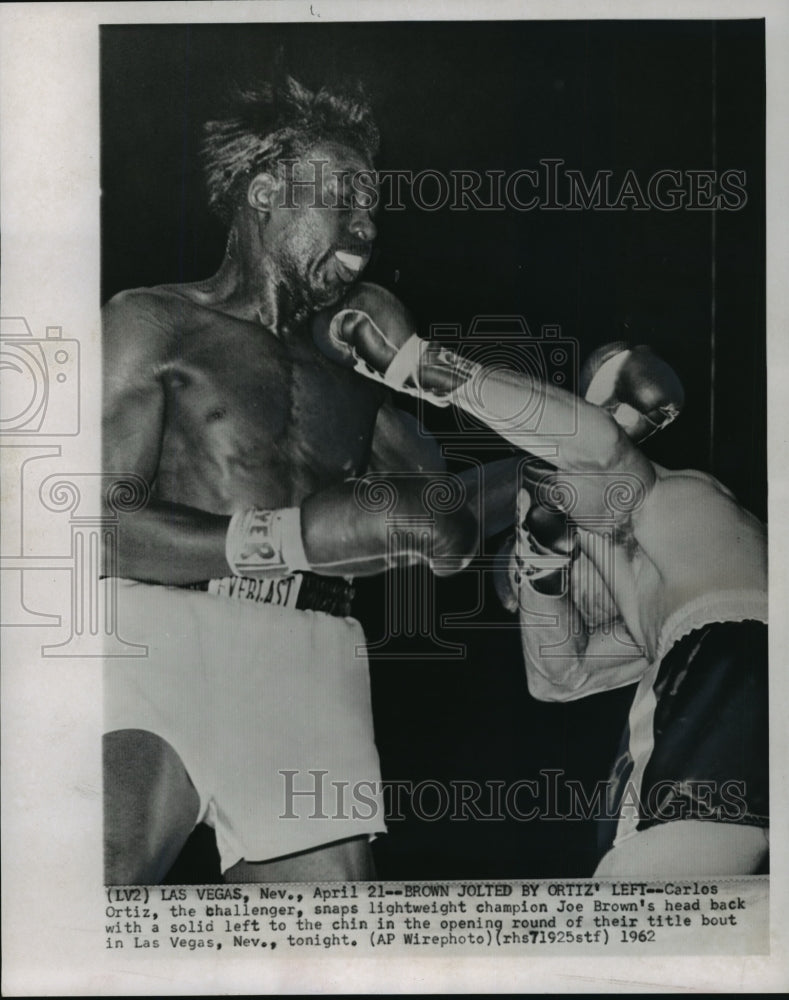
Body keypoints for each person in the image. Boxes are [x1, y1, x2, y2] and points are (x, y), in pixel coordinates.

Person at [102, 79, 477, 885]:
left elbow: (440, 519)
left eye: (372, 204)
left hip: (311, 655)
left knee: (334, 951)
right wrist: (293, 536)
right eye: (343, 195)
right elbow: (96, 528)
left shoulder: (348, 364)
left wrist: (408, 370)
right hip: (156, 634)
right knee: (80, 895)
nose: (366, 222)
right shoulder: (153, 322)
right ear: (265, 192)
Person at [313, 282, 769, 877]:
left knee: (642, 914)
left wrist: (417, 366)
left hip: (732, 660)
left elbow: (597, 450)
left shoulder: (672, 496)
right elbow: (558, 677)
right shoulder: (659, 611)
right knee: (708, 919)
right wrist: (541, 566)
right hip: (733, 671)